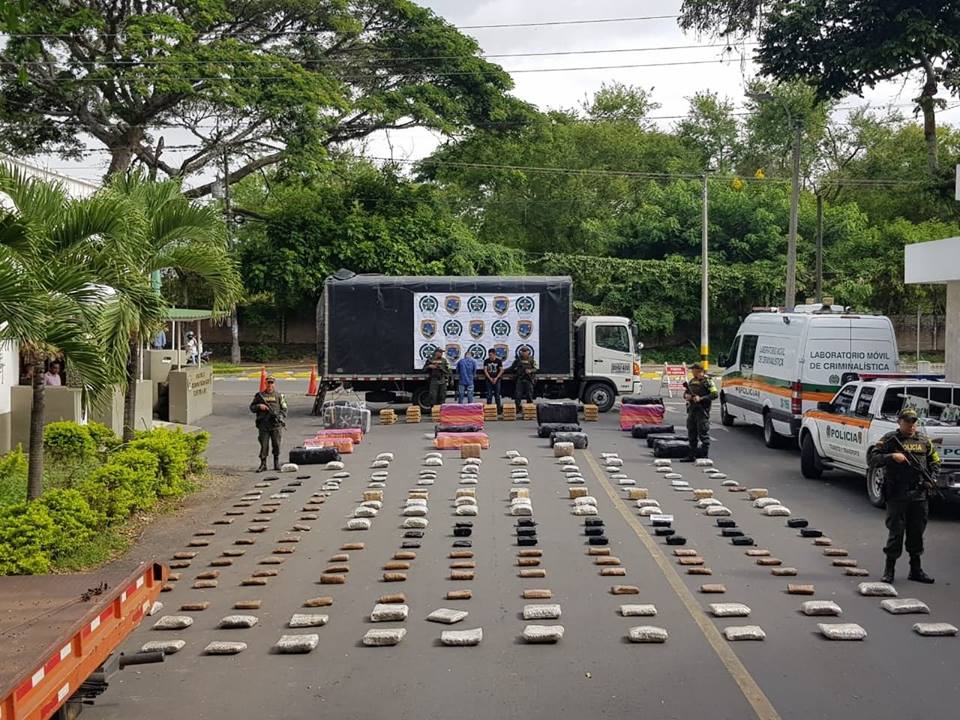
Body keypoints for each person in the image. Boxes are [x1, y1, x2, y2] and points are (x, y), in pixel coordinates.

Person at [868, 407, 941, 584]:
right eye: (907, 421)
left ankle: (915, 569)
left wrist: (932, 479)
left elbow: (935, 461)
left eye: (913, 422)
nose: (911, 425)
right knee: (896, 533)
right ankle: (889, 570)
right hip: (897, 494)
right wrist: (892, 456)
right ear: (899, 422)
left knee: (916, 533)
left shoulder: (924, 441)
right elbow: (872, 460)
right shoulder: (889, 440)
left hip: (919, 494)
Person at [250, 377, 287, 472]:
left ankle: (276, 462)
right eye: (268, 383)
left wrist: (280, 417)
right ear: (265, 384)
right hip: (263, 425)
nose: (270, 385)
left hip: (275, 425)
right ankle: (263, 464)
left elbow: (284, 409)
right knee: (264, 445)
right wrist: (259, 406)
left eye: (272, 383)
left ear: (274, 384)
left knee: (276, 444)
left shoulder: (279, 396)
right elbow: (252, 407)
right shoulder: (259, 396)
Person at [682, 363, 717, 461]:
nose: (692, 372)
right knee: (691, 433)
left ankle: (704, 455)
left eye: (693, 370)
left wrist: (701, 398)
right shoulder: (692, 381)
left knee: (703, 433)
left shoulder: (707, 381)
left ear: (698, 370)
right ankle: (691, 455)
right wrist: (687, 396)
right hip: (692, 410)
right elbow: (685, 393)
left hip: (702, 411)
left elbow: (714, 394)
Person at [508, 347, 537, 411]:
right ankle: (517, 409)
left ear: (528, 352)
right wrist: (503, 371)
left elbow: (536, 368)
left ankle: (529, 409)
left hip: (528, 379)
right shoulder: (518, 360)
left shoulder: (531, 360)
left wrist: (530, 370)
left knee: (529, 395)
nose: (524, 353)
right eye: (523, 351)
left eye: (525, 351)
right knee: (518, 395)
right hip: (520, 379)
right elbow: (512, 368)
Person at [483, 348, 504, 414]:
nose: (490, 356)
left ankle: (498, 410)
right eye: (489, 355)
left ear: (494, 354)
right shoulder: (486, 361)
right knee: (489, 394)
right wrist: (490, 378)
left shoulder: (498, 361)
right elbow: (485, 370)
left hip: (497, 380)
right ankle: (489, 410)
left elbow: (501, 370)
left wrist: (496, 378)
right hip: (489, 380)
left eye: (491, 355)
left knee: (497, 395)